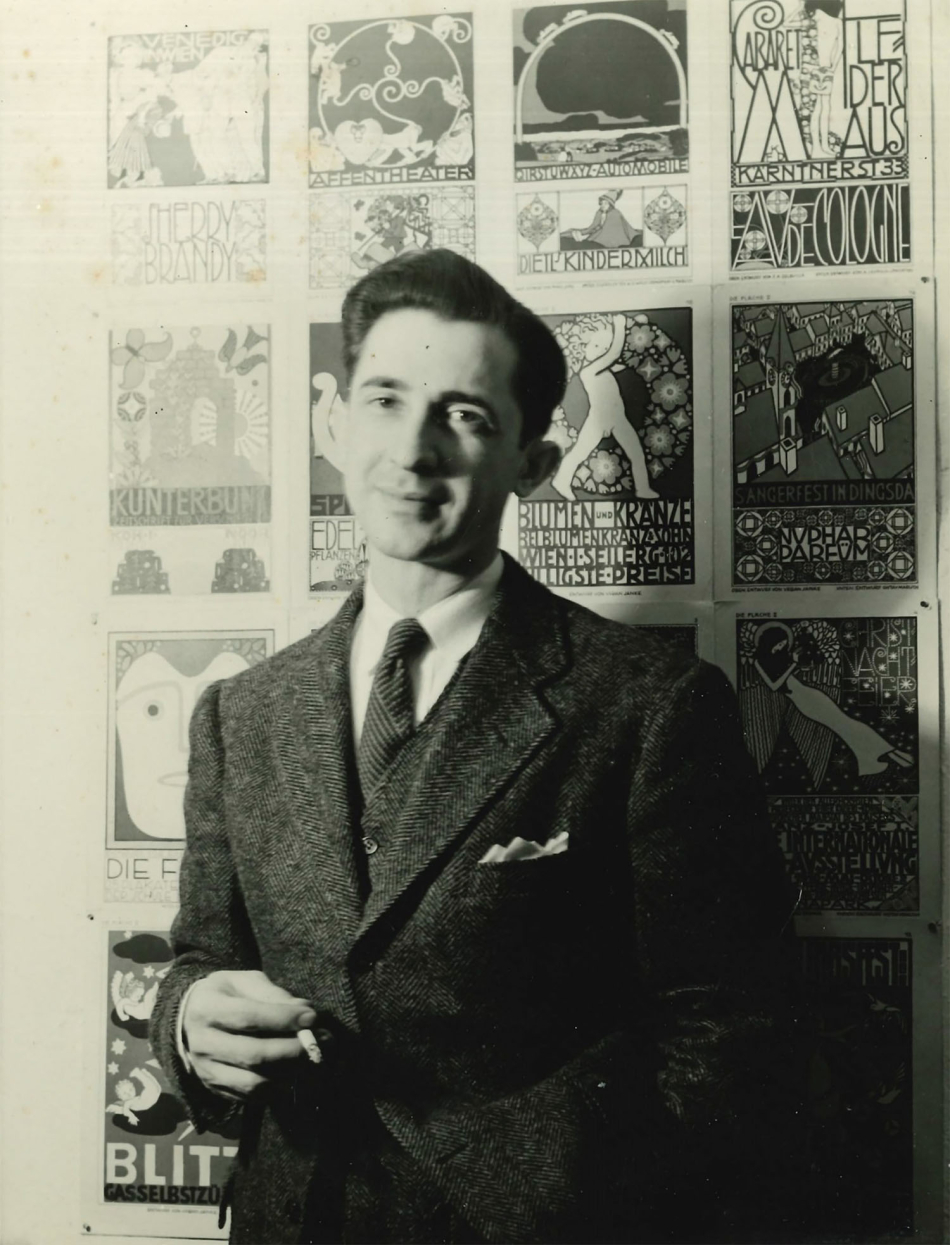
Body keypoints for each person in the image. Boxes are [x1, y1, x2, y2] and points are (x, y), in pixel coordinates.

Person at [151, 250, 801, 1245]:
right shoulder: (239, 714)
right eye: (384, 399)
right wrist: (190, 1018)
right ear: (331, 422)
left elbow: (729, 1028)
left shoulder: (648, 703)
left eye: (463, 416)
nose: (412, 452)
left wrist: (527, 1189)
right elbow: (202, 959)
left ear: (531, 465)